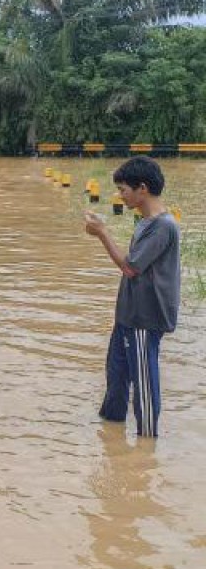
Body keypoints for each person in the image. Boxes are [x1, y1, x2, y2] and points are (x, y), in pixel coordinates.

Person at [83, 156, 180, 437]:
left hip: (144, 319)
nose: (120, 195)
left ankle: (147, 445)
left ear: (142, 189)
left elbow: (130, 267)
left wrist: (102, 233)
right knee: (115, 379)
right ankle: (112, 438)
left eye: (123, 190)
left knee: (144, 385)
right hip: (127, 315)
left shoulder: (163, 226)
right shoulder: (144, 223)